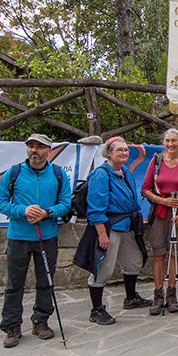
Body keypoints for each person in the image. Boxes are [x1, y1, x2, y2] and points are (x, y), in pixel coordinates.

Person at [0, 133, 71, 348]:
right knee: (14, 284)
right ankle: (12, 326)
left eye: (39, 147)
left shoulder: (58, 175)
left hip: (47, 237)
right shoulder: (14, 173)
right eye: (31, 146)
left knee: (46, 282)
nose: (34, 150)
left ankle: (41, 320)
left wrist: (47, 212)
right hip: (19, 237)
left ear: (49, 150)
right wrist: (22, 210)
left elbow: (65, 203)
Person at [74, 136, 151, 326]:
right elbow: (95, 208)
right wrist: (102, 234)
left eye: (126, 150)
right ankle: (97, 309)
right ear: (109, 153)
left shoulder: (124, 171)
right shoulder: (101, 175)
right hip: (110, 227)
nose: (124, 153)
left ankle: (131, 297)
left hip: (127, 225)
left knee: (134, 261)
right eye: (119, 150)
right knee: (104, 268)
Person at [140, 128, 178, 315]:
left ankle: (172, 294)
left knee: (175, 253)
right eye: (167, 141)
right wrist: (162, 200)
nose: (170, 144)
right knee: (159, 253)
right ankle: (158, 294)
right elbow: (145, 189)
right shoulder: (156, 162)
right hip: (160, 211)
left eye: (174, 141)